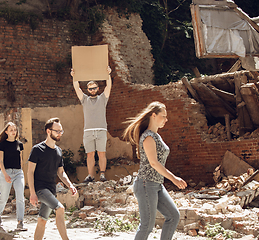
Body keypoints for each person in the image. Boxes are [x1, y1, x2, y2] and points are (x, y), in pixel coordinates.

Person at [122, 101, 187, 240]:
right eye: (163, 116)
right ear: (153, 115)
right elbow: (154, 163)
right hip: (146, 184)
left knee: (173, 215)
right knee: (147, 225)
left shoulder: (156, 135)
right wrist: (174, 179)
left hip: (156, 184)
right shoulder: (148, 137)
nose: (166, 119)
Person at [27, 117, 77, 240]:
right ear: (48, 131)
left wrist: (70, 185)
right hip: (40, 189)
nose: (60, 134)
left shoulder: (58, 151)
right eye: (57, 131)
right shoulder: (37, 149)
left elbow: (61, 172)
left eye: (61, 131)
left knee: (42, 220)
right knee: (60, 208)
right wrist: (32, 193)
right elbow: (30, 172)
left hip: (51, 190)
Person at [71, 66, 112, 182]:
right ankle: (91, 176)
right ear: (87, 90)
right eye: (90, 88)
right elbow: (77, 88)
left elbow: (109, 86)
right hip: (88, 131)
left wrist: (108, 74)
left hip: (101, 130)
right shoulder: (84, 99)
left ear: (98, 88)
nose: (92, 90)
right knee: (89, 155)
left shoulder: (103, 98)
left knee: (101, 153)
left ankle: (102, 175)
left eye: (94, 88)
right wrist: (75, 77)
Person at [0, 122, 26, 230]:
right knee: (4, 197)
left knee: (20, 197)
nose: (13, 132)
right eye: (11, 130)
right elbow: (0, 161)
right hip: (6, 172)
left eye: (15, 130)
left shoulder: (20, 144)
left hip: (18, 173)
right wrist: (5, 175)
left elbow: (21, 159)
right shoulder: (2, 145)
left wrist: (21, 171)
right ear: (6, 132)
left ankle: (20, 222)